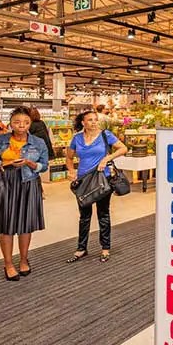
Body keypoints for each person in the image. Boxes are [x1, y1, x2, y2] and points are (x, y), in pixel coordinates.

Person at [0, 107, 49, 281]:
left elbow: (44, 165)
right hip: (5, 181)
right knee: (6, 223)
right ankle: (8, 263)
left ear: (30, 124)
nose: (21, 126)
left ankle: (23, 259)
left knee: (26, 223)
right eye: (17, 122)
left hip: (29, 182)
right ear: (10, 123)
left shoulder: (38, 142)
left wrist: (29, 163)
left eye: (26, 122)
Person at [66, 110, 128, 264]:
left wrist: (107, 158)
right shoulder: (77, 138)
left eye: (95, 119)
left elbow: (123, 148)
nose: (94, 122)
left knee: (103, 214)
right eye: (90, 120)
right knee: (84, 216)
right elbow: (69, 157)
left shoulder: (106, 135)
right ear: (83, 123)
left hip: (102, 180)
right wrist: (71, 171)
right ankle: (81, 248)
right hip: (83, 181)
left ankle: (105, 248)